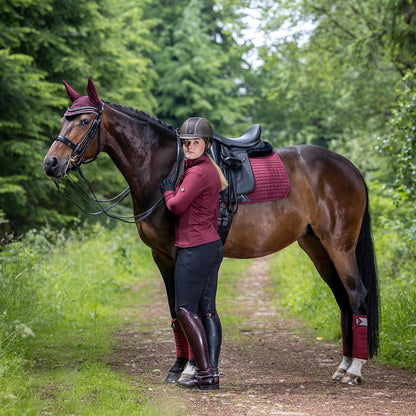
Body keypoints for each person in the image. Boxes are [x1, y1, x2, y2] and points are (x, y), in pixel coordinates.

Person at [160, 117, 228, 390]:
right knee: (208, 311)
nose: (188, 147)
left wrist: (167, 191)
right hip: (211, 245)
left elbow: (176, 206)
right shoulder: (207, 169)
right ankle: (209, 374)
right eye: (186, 143)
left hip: (195, 247)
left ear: (207, 144)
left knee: (185, 309)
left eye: (194, 143)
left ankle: (205, 373)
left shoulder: (199, 173)